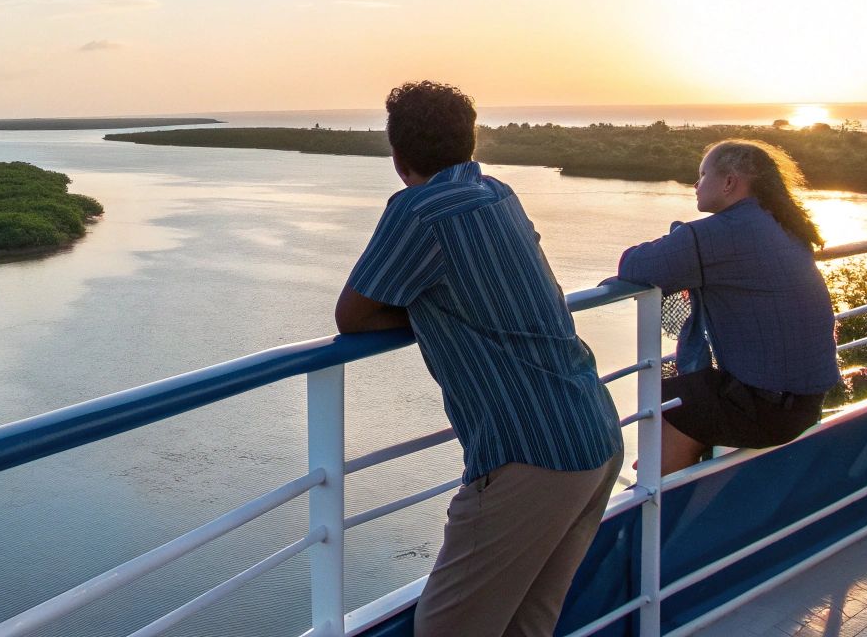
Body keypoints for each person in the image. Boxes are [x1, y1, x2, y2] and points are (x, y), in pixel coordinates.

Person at [335, 81, 622, 637]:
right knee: (527, 624)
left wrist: (426, 308)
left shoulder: (419, 210)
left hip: (530, 452)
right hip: (594, 432)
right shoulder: (497, 192)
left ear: (398, 158)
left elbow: (353, 316)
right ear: (469, 142)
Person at [615, 139, 839, 475]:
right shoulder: (781, 225)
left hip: (770, 409)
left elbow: (635, 265)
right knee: (688, 397)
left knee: (675, 403)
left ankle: (652, 505)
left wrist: (679, 236)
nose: (696, 185)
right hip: (805, 401)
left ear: (730, 182)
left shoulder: (722, 233)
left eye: (702, 175)